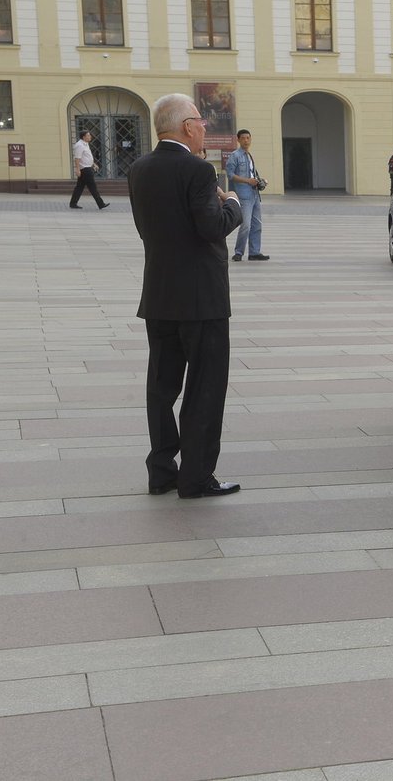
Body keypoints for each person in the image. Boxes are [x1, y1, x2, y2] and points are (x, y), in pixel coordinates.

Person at [128, 93, 243, 499]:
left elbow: (148, 229)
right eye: (201, 121)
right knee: (205, 388)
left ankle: (161, 471)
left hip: (159, 296)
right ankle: (195, 477)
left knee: (161, 388)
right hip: (202, 300)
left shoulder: (139, 168)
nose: (206, 128)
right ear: (186, 126)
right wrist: (232, 205)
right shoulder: (198, 170)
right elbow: (211, 228)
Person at [225, 129, 269, 261]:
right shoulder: (235, 155)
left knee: (257, 224)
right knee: (246, 225)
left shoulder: (249, 155)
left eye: (248, 138)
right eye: (243, 138)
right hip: (244, 195)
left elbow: (251, 174)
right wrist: (247, 181)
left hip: (254, 193)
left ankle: (254, 252)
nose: (246, 140)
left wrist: (258, 181)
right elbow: (230, 175)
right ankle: (239, 252)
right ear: (238, 140)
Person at [69, 130, 109, 210]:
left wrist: (93, 164)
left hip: (87, 168)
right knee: (92, 187)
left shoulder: (85, 144)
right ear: (84, 137)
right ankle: (100, 204)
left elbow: (87, 156)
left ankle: (73, 203)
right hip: (85, 169)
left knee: (79, 187)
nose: (90, 137)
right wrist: (77, 169)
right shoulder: (79, 145)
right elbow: (77, 158)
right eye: (88, 135)